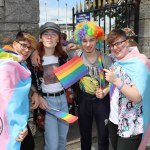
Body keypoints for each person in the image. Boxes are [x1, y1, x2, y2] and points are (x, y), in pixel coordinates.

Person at [102, 29, 150, 150]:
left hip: (130, 124)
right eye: (112, 45)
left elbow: (137, 97)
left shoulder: (138, 64)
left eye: (118, 43)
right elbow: (118, 89)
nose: (115, 47)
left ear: (127, 42)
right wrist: (106, 91)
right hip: (114, 120)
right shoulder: (118, 63)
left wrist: (115, 81)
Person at [73, 21, 112, 150]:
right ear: (80, 42)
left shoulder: (105, 59)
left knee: (103, 137)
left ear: (97, 40)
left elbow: (116, 82)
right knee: (85, 137)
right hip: (83, 101)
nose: (88, 44)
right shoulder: (76, 57)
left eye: (92, 40)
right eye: (84, 41)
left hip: (102, 101)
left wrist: (106, 90)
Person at [31, 22, 69, 150]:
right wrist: (37, 95)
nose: (49, 37)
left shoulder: (63, 56)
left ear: (58, 38)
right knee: (52, 144)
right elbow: (29, 81)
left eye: (53, 34)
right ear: (41, 38)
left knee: (63, 139)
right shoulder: (34, 60)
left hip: (64, 100)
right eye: (46, 34)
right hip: (47, 103)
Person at [0, 31, 38, 150]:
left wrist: (34, 93)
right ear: (15, 43)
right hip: (11, 122)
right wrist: (20, 126)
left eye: (30, 48)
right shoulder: (9, 66)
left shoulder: (17, 62)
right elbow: (9, 102)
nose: (26, 50)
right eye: (23, 45)